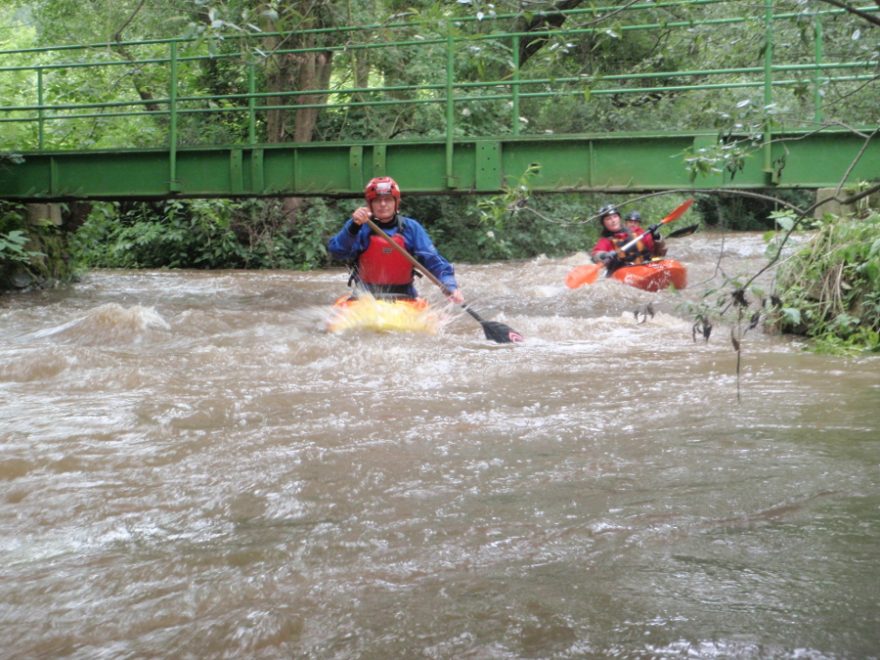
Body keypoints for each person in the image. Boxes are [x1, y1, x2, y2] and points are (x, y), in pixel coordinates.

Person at [328, 176, 464, 303]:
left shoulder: (411, 228)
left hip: (404, 296)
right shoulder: (358, 226)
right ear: (370, 204)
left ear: (396, 203)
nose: (382, 204)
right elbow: (337, 252)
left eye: (387, 199)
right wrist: (353, 227)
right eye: (377, 200)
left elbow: (434, 261)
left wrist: (449, 285)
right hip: (365, 297)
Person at [591, 204, 665, 269]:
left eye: (615, 216)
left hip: (646, 266)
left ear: (619, 218)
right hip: (627, 272)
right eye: (608, 219)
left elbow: (660, 253)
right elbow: (596, 254)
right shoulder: (605, 241)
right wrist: (604, 255)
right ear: (604, 223)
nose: (613, 221)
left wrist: (656, 237)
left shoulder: (637, 233)